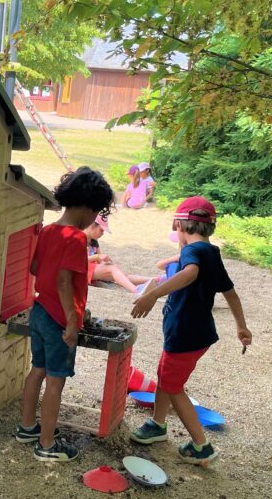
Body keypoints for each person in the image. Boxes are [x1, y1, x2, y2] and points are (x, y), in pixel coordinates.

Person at [129, 197, 252, 465]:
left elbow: (190, 273)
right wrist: (241, 326)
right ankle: (158, 424)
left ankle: (201, 446)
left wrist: (153, 295)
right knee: (165, 375)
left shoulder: (192, 252)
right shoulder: (211, 252)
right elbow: (230, 292)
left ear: (180, 226)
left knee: (173, 386)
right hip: (194, 333)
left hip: (185, 334)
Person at [15, 167, 115, 462]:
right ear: (88, 206)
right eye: (95, 212)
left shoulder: (49, 230)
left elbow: (35, 268)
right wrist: (72, 320)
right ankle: (47, 445)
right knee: (56, 380)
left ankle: (27, 427)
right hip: (59, 318)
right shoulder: (75, 238)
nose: (93, 218)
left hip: (40, 310)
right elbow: (63, 280)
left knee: (37, 369)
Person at [86, 213, 153, 293]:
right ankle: (136, 290)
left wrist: (104, 263)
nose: (102, 233)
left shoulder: (94, 242)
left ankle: (155, 280)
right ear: (91, 225)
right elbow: (76, 261)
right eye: (101, 230)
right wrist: (97, 257)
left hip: (91, 270)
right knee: (112, 270)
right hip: (82, 271)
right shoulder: (79, 239)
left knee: (120, 274)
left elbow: (99, 261)